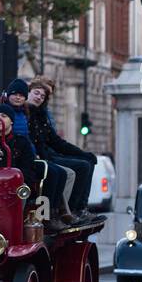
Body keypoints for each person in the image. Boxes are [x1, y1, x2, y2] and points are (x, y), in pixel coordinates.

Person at [27, 77, 96, 218]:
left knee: (86, 162)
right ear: (28, 92)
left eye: (42, 96)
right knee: (70, 171)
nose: (39, 97)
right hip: (38, 157)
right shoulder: (26, 113)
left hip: (47, 154)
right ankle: (65, 212)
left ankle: (79, 209)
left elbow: (56, 141)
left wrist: (82, 153)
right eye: (36, 93)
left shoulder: (41, 115)